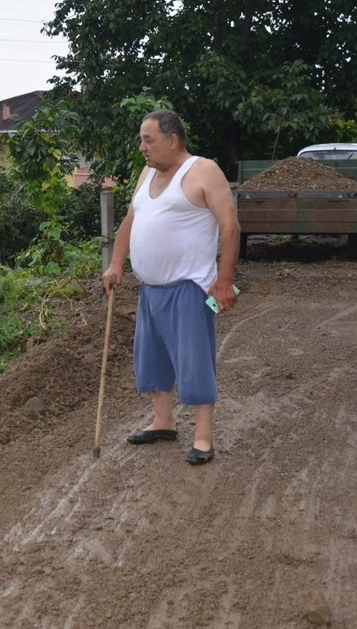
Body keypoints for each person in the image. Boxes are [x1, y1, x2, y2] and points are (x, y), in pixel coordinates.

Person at [101, 110, 239, 466]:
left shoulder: (203, 170)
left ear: (173, 140)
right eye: (141, 140)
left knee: (195, 361)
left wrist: (224, 283)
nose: (142, 147)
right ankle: (163, 421)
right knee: (152, 358)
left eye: (149, 140)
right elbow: (130, 221)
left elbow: (230, 228)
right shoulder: (147, 174)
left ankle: (203, 437)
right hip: (151, 288)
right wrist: (116, 263)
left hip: (191, 289)